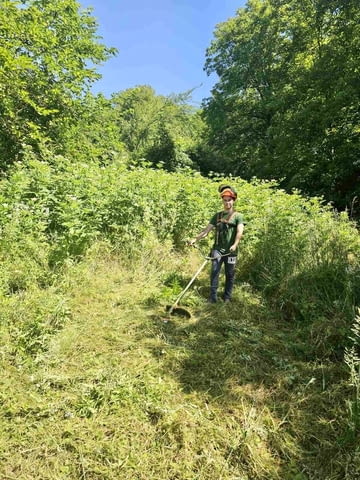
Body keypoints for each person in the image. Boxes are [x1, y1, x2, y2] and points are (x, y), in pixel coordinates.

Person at [189, 185, 245, 303]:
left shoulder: (238, 216)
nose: (227, 203)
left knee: (230, 274)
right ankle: (213, 297)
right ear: (222, 201)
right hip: (217, 250)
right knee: (214, 271)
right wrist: (195, 239)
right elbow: (206, 231)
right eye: (225, 200)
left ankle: (227, 297)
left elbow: (240, 232)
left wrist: (235, 244)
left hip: (231, 251)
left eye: (229, 200)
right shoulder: (217, 216)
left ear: (233, 201)